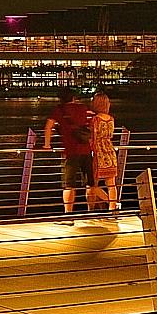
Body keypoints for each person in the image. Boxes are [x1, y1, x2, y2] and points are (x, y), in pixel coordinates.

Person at [43, 87, 97, 220]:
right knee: (90, 183)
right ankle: (91, 213)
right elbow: (92, 123)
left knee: (69, 185)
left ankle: (68, 215)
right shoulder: (83, 108)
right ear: (73, 98)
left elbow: (48, 127)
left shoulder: (58, 110)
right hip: (86, 150)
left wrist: (47, 145)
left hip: (71, 152)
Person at [90, 92, 120, 210]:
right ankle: (112, 208)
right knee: (111, 184)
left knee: (93, 184)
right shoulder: (111, 119)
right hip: (110, 151)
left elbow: (93, 136)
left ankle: (110, 202)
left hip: (99, 153)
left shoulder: (95, 119)